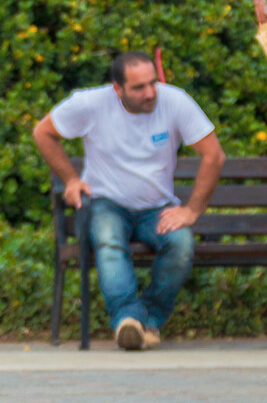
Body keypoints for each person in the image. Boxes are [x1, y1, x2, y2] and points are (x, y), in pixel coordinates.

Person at [32, 51, 225, 351]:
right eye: (138, 87)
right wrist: (70, 179)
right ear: (117, 88)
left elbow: (213, 155)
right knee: (109, 241)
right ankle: (128, 319)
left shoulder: (175, 101)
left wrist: (191, 210)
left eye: (153, 84)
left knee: (181, 244)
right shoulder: (90, 104)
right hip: (106, 201)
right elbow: (43, 132)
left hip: (156, 206)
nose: (149, 93)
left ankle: (143, 321)